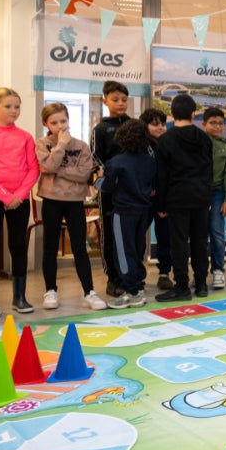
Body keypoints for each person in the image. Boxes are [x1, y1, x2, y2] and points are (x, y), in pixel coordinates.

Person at [0, 87, 40, 318]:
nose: (14, 111)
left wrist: (19, 195)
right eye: (8, 106)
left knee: (18, 244)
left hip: (19, 199)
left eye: (17, 106)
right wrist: (4, 196)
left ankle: (19, 297)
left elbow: (33, 169)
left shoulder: (25, 137)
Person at [35, 102, 107, 311]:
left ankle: (89, 292)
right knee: (50, 247)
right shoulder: (42, 143)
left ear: (68, 120)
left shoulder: (82, 145)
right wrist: (61, 145)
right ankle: (50, 290)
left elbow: (84, 175)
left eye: (63, 121)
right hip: (51, 200)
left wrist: (56, 170)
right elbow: (46, 166)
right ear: (46, 123)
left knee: (79, 247)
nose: (60, 126)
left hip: (75, 201)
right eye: (54, 122)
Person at [154, 94, 213, 302]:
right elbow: (208, 171)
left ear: (171, 114)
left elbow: (162, 175)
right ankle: (202, 284)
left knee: (178, 243)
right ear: (193, 114)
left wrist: (160, 203)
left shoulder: (165, 140)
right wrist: (207, 199)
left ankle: (181, 287)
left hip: (176, 198)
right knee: (199, 241)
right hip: (200, 197)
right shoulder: (204, 138)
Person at [98, 119, 157, 309]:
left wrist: (97, 180)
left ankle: (131, 291)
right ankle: (137, 286)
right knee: (137, 248)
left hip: (123, 212)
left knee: (123, 252)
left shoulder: (116, 162)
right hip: (144, 211)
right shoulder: (150, 161)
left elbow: (107, 187)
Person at [91, 80, 132, 297]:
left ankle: (130, 276)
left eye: (124, 99)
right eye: (115, 100)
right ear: (105, 101)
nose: (120, 103)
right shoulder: (100, 129)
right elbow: (95, 158)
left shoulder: (134, 125)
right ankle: (113, 279)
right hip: (110, 191)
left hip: (132, 191)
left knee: (129, 236)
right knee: (110, 234)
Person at [139, 107, 172, 290]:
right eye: (154, 124)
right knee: (139, 237)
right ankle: (138, 272)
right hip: (144, 199)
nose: (160, 128)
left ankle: (164, 273)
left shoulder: (169, 145)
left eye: (163, 124)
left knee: (165, 237)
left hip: (165, 199)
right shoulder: (140, 146)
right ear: (144, 126)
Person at [202, 107, 226, 289]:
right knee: (198, 235)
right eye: (213, 122)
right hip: (199, 193)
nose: (217, 126)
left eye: (220, 123)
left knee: (216, 232)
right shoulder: (198, 142)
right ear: (204, 124)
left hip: (218, 194)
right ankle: (199, 273)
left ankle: (218, 271)